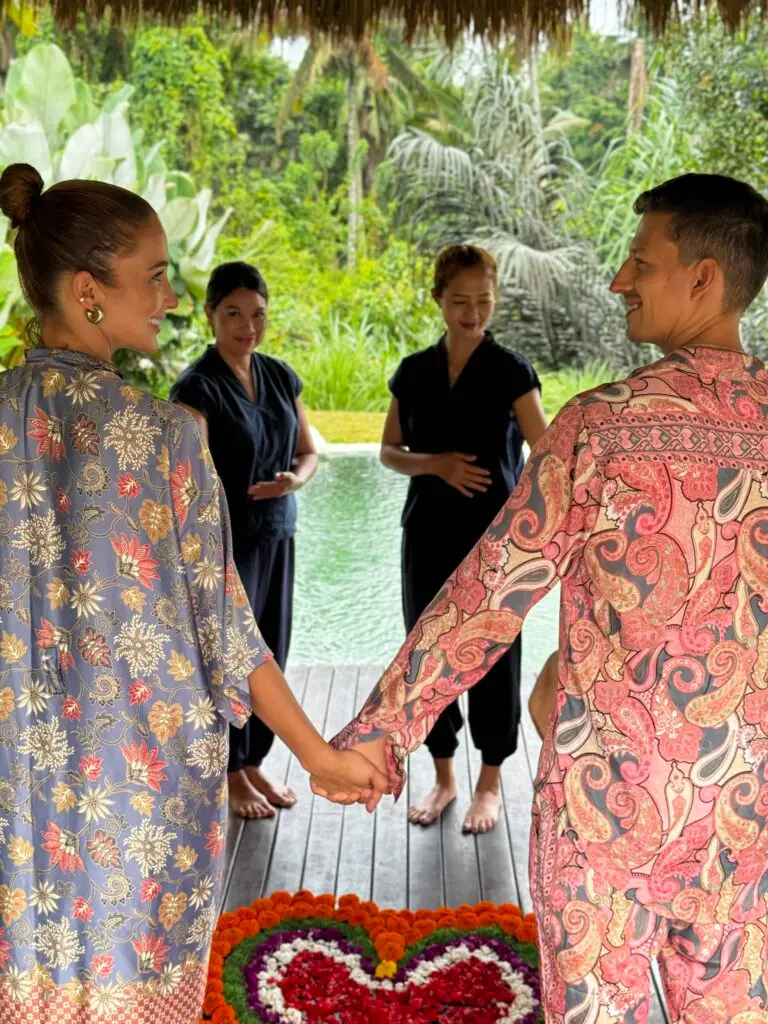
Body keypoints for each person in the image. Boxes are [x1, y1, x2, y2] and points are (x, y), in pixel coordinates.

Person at [328, 174, 768, 1023]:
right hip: (744, 818)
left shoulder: (602, 429)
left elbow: (486, 599)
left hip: (608, 812)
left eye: (640, 259)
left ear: (705, 279)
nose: (618, 280)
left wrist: (379, 734)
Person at [0, 162, 385, 1024]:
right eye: (157, 277)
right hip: (131, 781)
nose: (171, 299)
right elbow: (226, 630)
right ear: (88, 290)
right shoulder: (165, 435)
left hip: (15, 784)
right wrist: (320, 755)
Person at [380, 244, 547, 834]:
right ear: (438, 301)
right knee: (428, 657)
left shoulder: (511, 371)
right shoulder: (415, 371)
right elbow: (389, 452)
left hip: (496, 545)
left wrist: (527, 525)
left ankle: (489, 784)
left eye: (483, 300)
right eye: (460, 301)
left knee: (496, 660)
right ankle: (445, 777)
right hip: (426, 536)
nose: (473, 311)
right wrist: (438, 465)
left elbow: (545, 456)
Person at [170, 263, 317, 821]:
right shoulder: (195, 388)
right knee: (231, 660)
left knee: (272, 650)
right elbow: (189, 479)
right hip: (224, 547)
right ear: (211, 314)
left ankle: (252, 761)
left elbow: (306, 451)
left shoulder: (280, 375)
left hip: (278, 533)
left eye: (257, 314)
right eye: (233, 313)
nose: (246, 326)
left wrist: (293, 481)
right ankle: (228, 773)